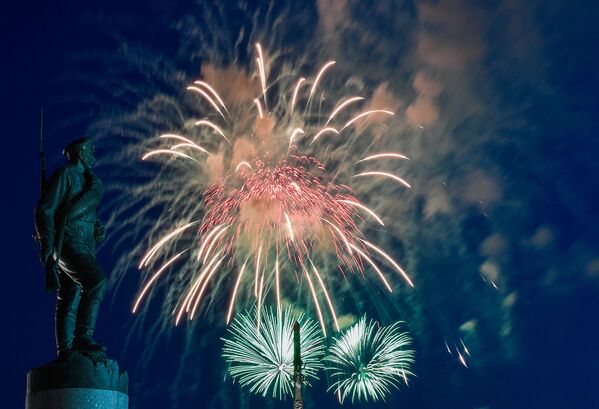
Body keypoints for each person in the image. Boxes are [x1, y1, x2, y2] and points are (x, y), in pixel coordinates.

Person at [35, 137, 107, 357]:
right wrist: (47, 244)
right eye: (90, 150)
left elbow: (82, 215)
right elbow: (45, 210)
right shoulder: (65, 175)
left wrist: (96, 229)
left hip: (84, 244)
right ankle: (82, 337)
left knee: (69, 294)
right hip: (66, 242)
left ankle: (65, 352)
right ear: (81, 154)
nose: (93, 154)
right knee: (95, 281)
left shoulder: (86, 180)